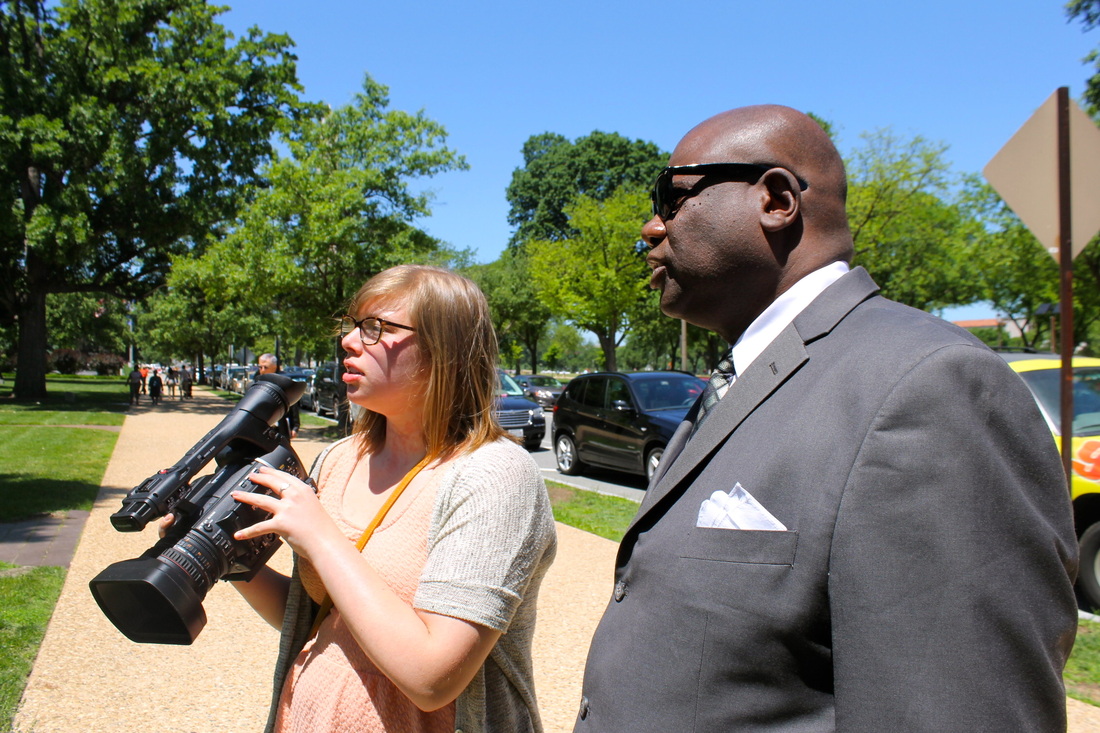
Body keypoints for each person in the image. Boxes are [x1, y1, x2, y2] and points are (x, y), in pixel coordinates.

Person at [573, 105, 1079, 731]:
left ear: (777, 200)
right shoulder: (747, 378)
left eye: (672, 198)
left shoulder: (931, 388)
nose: (651, 228)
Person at [225, 265, 557, 732]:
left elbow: (432, 678)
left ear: (445, 352)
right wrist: (227, 556)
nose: (349, 341)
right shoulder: (339, 459)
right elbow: (321, 618)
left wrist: (319, 536)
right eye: (352, 325)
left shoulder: (494, 475)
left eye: (376, 328)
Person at [257, 353, 300, 440]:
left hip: (280, 430)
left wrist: (295, 427)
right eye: (260, 367)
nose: (262, 370)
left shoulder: (283, 384)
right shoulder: (255, 384)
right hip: (260, 431)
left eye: (265, 367)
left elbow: (293, 406)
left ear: (274, 367)